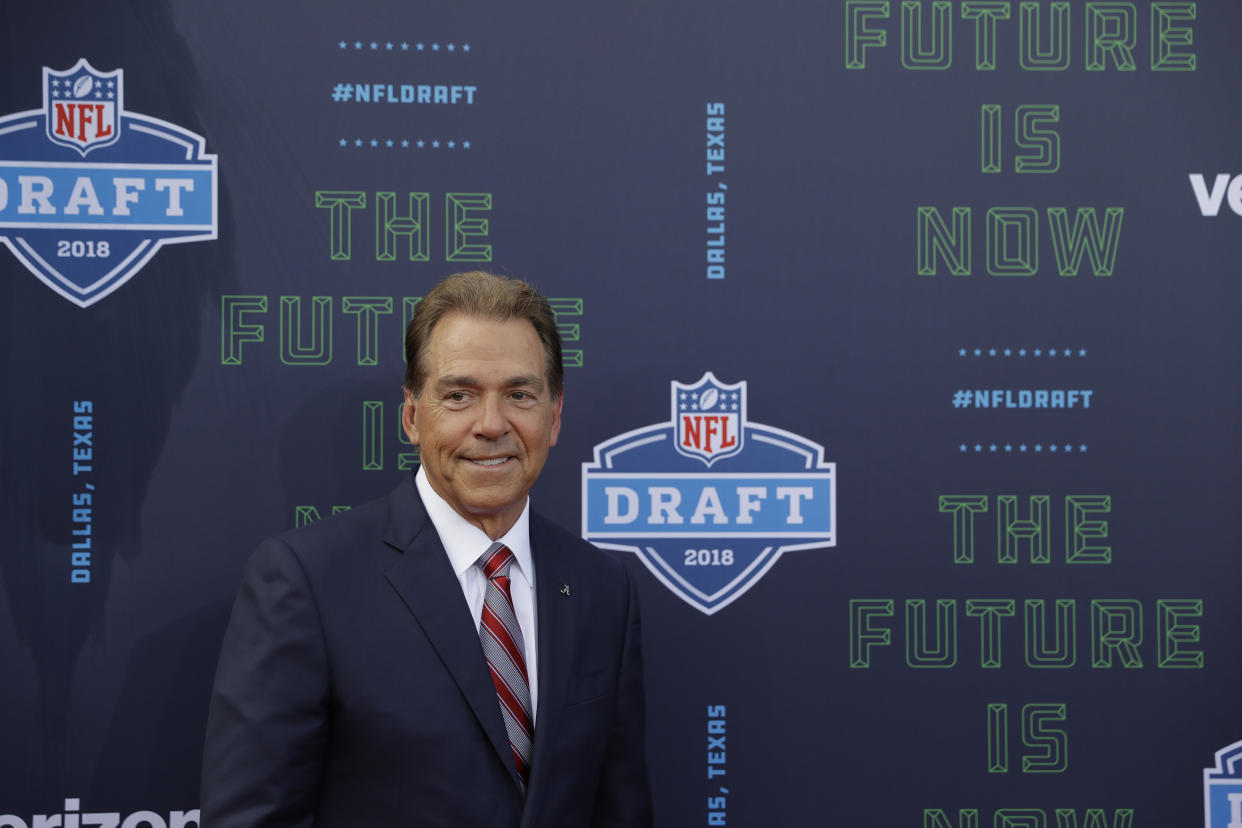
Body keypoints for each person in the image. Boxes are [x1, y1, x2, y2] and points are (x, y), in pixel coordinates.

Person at [201, 271, 652, 827]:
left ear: (554, 416)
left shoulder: (602, 587)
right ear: (413, 416)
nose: (491, 424)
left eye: (519, 395)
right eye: (459, 395)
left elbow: (620, 812)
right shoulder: (307, 582)